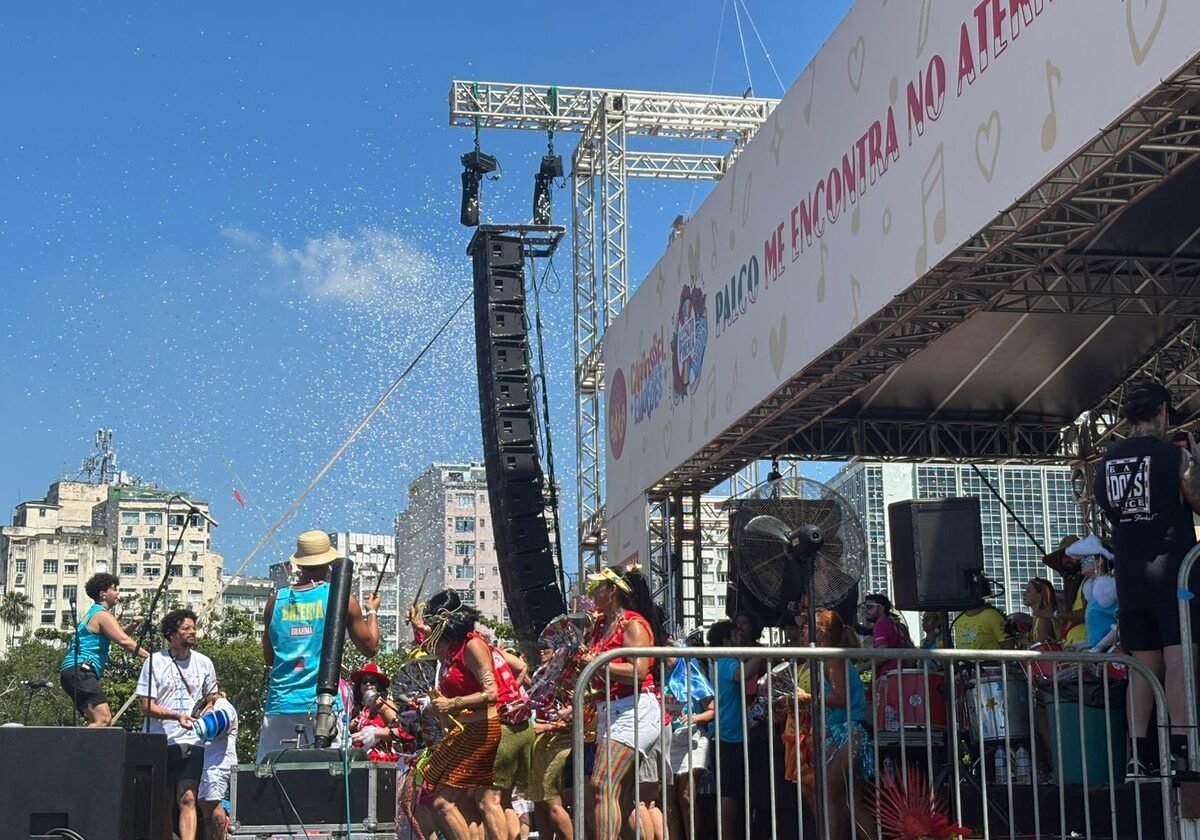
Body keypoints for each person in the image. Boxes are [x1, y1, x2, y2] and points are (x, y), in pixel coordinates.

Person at [1093, 381, 1200, 776]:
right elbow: (1199, 499)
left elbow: (1112, 514)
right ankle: (1181, 749)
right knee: (1179, 662)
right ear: (1163, 412)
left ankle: (1137, 755)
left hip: (1131, 577)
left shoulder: (1106, 462)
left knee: (1142, 665)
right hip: (1175, 574)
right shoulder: (1173, 456)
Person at [258, 530, 382, 760]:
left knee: (271, 776)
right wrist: (372, 611)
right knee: (328, 778)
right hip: (322, 707)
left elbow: (269, 658)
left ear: (299, 564)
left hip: (280, 706)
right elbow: (371, 647)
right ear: (329, 563)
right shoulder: (339, 597)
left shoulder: (276, 601)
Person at [580, 564, 665, 840]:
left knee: (602, 785)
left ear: (612, 590)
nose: (592, 593)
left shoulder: (633, 623)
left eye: (597, 588)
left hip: (634, 710)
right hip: (613, 710)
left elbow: (639, 672)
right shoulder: (602, 626)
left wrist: (596, 663)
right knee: (623, 796)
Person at [420, 591, 504, 840]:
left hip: (481, 731)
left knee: (442, 804)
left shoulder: (473, 645)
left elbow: (492, 693)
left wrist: (452, 703)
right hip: (463, 730)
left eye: (434, 624)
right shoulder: (452, 649)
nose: (431, 629)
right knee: (430, 794)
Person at [788, 609, 875, 840]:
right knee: (848, 803)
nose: (803, 630)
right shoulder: (823, 660)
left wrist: (808, 698)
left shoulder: (834, 658)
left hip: (848, 732)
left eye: (808, 625)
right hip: (838, 733)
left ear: (822, 631)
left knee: (829, 796)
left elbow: (841, 697)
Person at [137, 609, 218, 840]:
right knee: (163, 800)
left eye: (193, 628)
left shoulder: (204, 662)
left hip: (193, 739)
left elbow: (212, 695)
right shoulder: (155, 662)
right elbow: (146, 706)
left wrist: (209, 710)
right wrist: (176, 716)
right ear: (172, 634)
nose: (192, 632)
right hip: (160, 739)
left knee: (188, 796)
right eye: (186, 628)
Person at [59, 572, 148, 726]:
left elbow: (117, 635)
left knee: (98, 721)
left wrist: (132, 626)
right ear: (103, 594)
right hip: (81, 670)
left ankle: (84, 749)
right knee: (104, 719)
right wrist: (153, 657)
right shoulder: (102, 615)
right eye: (114, 589)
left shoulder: (94, 614)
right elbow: (124, 641)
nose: (117, 593)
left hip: (74, 671)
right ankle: (74, 750)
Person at [710, 611, 766, 840]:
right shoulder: (725, 662)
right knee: (729, 793)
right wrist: (761, 653)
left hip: (731, 734)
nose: (739, 638)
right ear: (725, 641)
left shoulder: (721, 662)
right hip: (728, 736)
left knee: (733, 791)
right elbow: (744, 674)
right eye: (734, 635)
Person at [195, 688, 238, 840]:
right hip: (208, 761)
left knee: (214, 802)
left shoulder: (224, 707)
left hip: (219, 761)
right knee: (204, 804)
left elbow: (218, 725)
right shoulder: (207, 707)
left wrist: (197, 723)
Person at [348, 662, 399, 762]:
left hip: (380, 760)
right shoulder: (357, 708)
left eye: (372, 682)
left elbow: (399, 730)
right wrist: (351, 726)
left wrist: (376, 733)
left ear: (379, 685)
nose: (368, 684)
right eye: (364, 682)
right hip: (357, 758)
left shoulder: (386, 704)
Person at [1042, 535, 1086, 644]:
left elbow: (1088, 615)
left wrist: (1055, 614)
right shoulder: (1072, 583)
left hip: (1086, 647)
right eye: (1064, 556)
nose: (1067, 559)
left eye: (1072, 554)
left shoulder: (1089, 581)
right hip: (1073, 646)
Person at [860, 593, 912, 676]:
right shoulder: (898, 625)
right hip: (902, 674)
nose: (866, 611)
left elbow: (882, 656)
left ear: (881, 608)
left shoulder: (880, 625)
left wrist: (859, 669)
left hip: (888, 676)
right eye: (864, 607)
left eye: (869, 607)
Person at [1022, 578, 1061, 645]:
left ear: (1040, 594)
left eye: (1029, 591)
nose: (1024, 594)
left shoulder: (1043, 619)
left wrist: (1026, 642)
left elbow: (1043, 649)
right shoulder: (1038, 617)